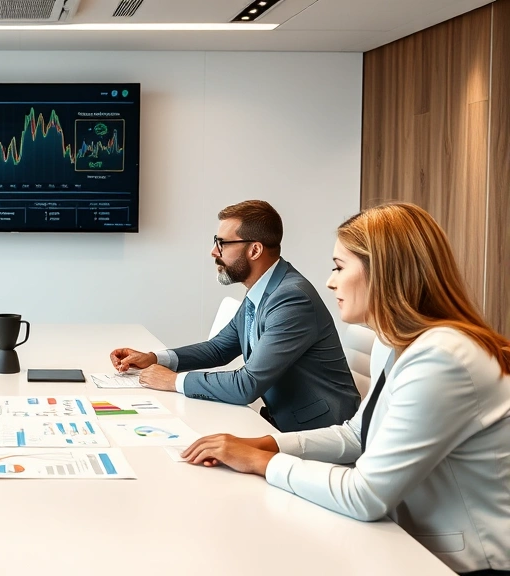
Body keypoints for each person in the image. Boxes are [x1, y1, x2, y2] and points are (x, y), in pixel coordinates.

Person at [181, 203, 510, 574]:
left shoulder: (443, 357)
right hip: (405, 539)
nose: (329, 281)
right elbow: (358, 435)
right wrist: (267, 444)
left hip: (459, 562)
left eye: (339, 267)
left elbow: (365, 495)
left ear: (384, 271)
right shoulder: (395, 341)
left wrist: (262, 462)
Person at [110, 200, 360, 432]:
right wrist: (154, 358)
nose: (213, 252)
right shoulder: (265, 289)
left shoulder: (291, 298)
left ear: (254, 250)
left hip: (319, 430)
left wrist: (175, 381)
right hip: (282, 421)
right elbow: (219, 349)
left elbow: (246, 385)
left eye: (222, 243)